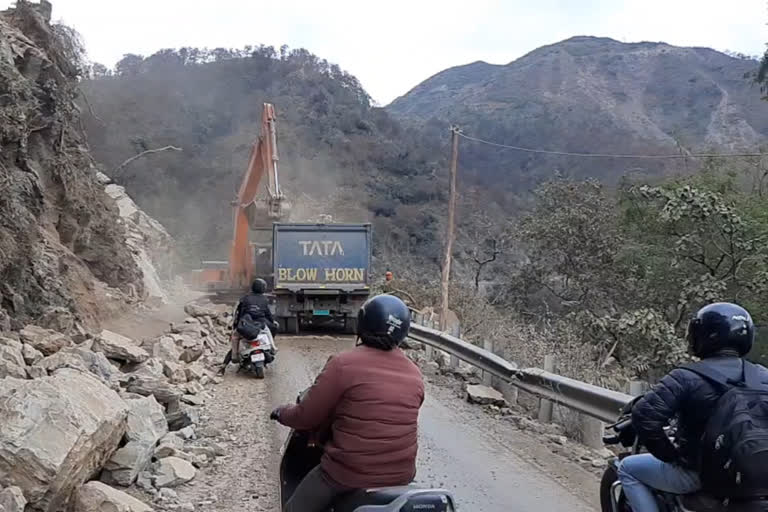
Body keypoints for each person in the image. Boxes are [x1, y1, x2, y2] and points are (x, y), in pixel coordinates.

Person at [270, 294, 424, 512]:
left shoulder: (343, 364)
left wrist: (282, 413)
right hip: (401, 477)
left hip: (348, 475)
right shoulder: (415, 374)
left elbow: (306, 416)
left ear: (363, 324)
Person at [618, 302, 768, 512]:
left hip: (703, 476)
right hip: (758, 476)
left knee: (628, 468)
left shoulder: (685, 377)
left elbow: (645, 417)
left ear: (701, 335)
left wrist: (672, 456)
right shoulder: (763, 376)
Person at [219, 277, 278, 372]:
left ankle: (228, 362)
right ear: (262, 288)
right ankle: (273, 348)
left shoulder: (245, 298)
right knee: (268, 333)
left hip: (246, 325)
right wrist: (272, 322)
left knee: (235, 338)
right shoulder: (264, 299)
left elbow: (239, 313)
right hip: (260, 325)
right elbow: (268, 314)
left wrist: (236, 326)